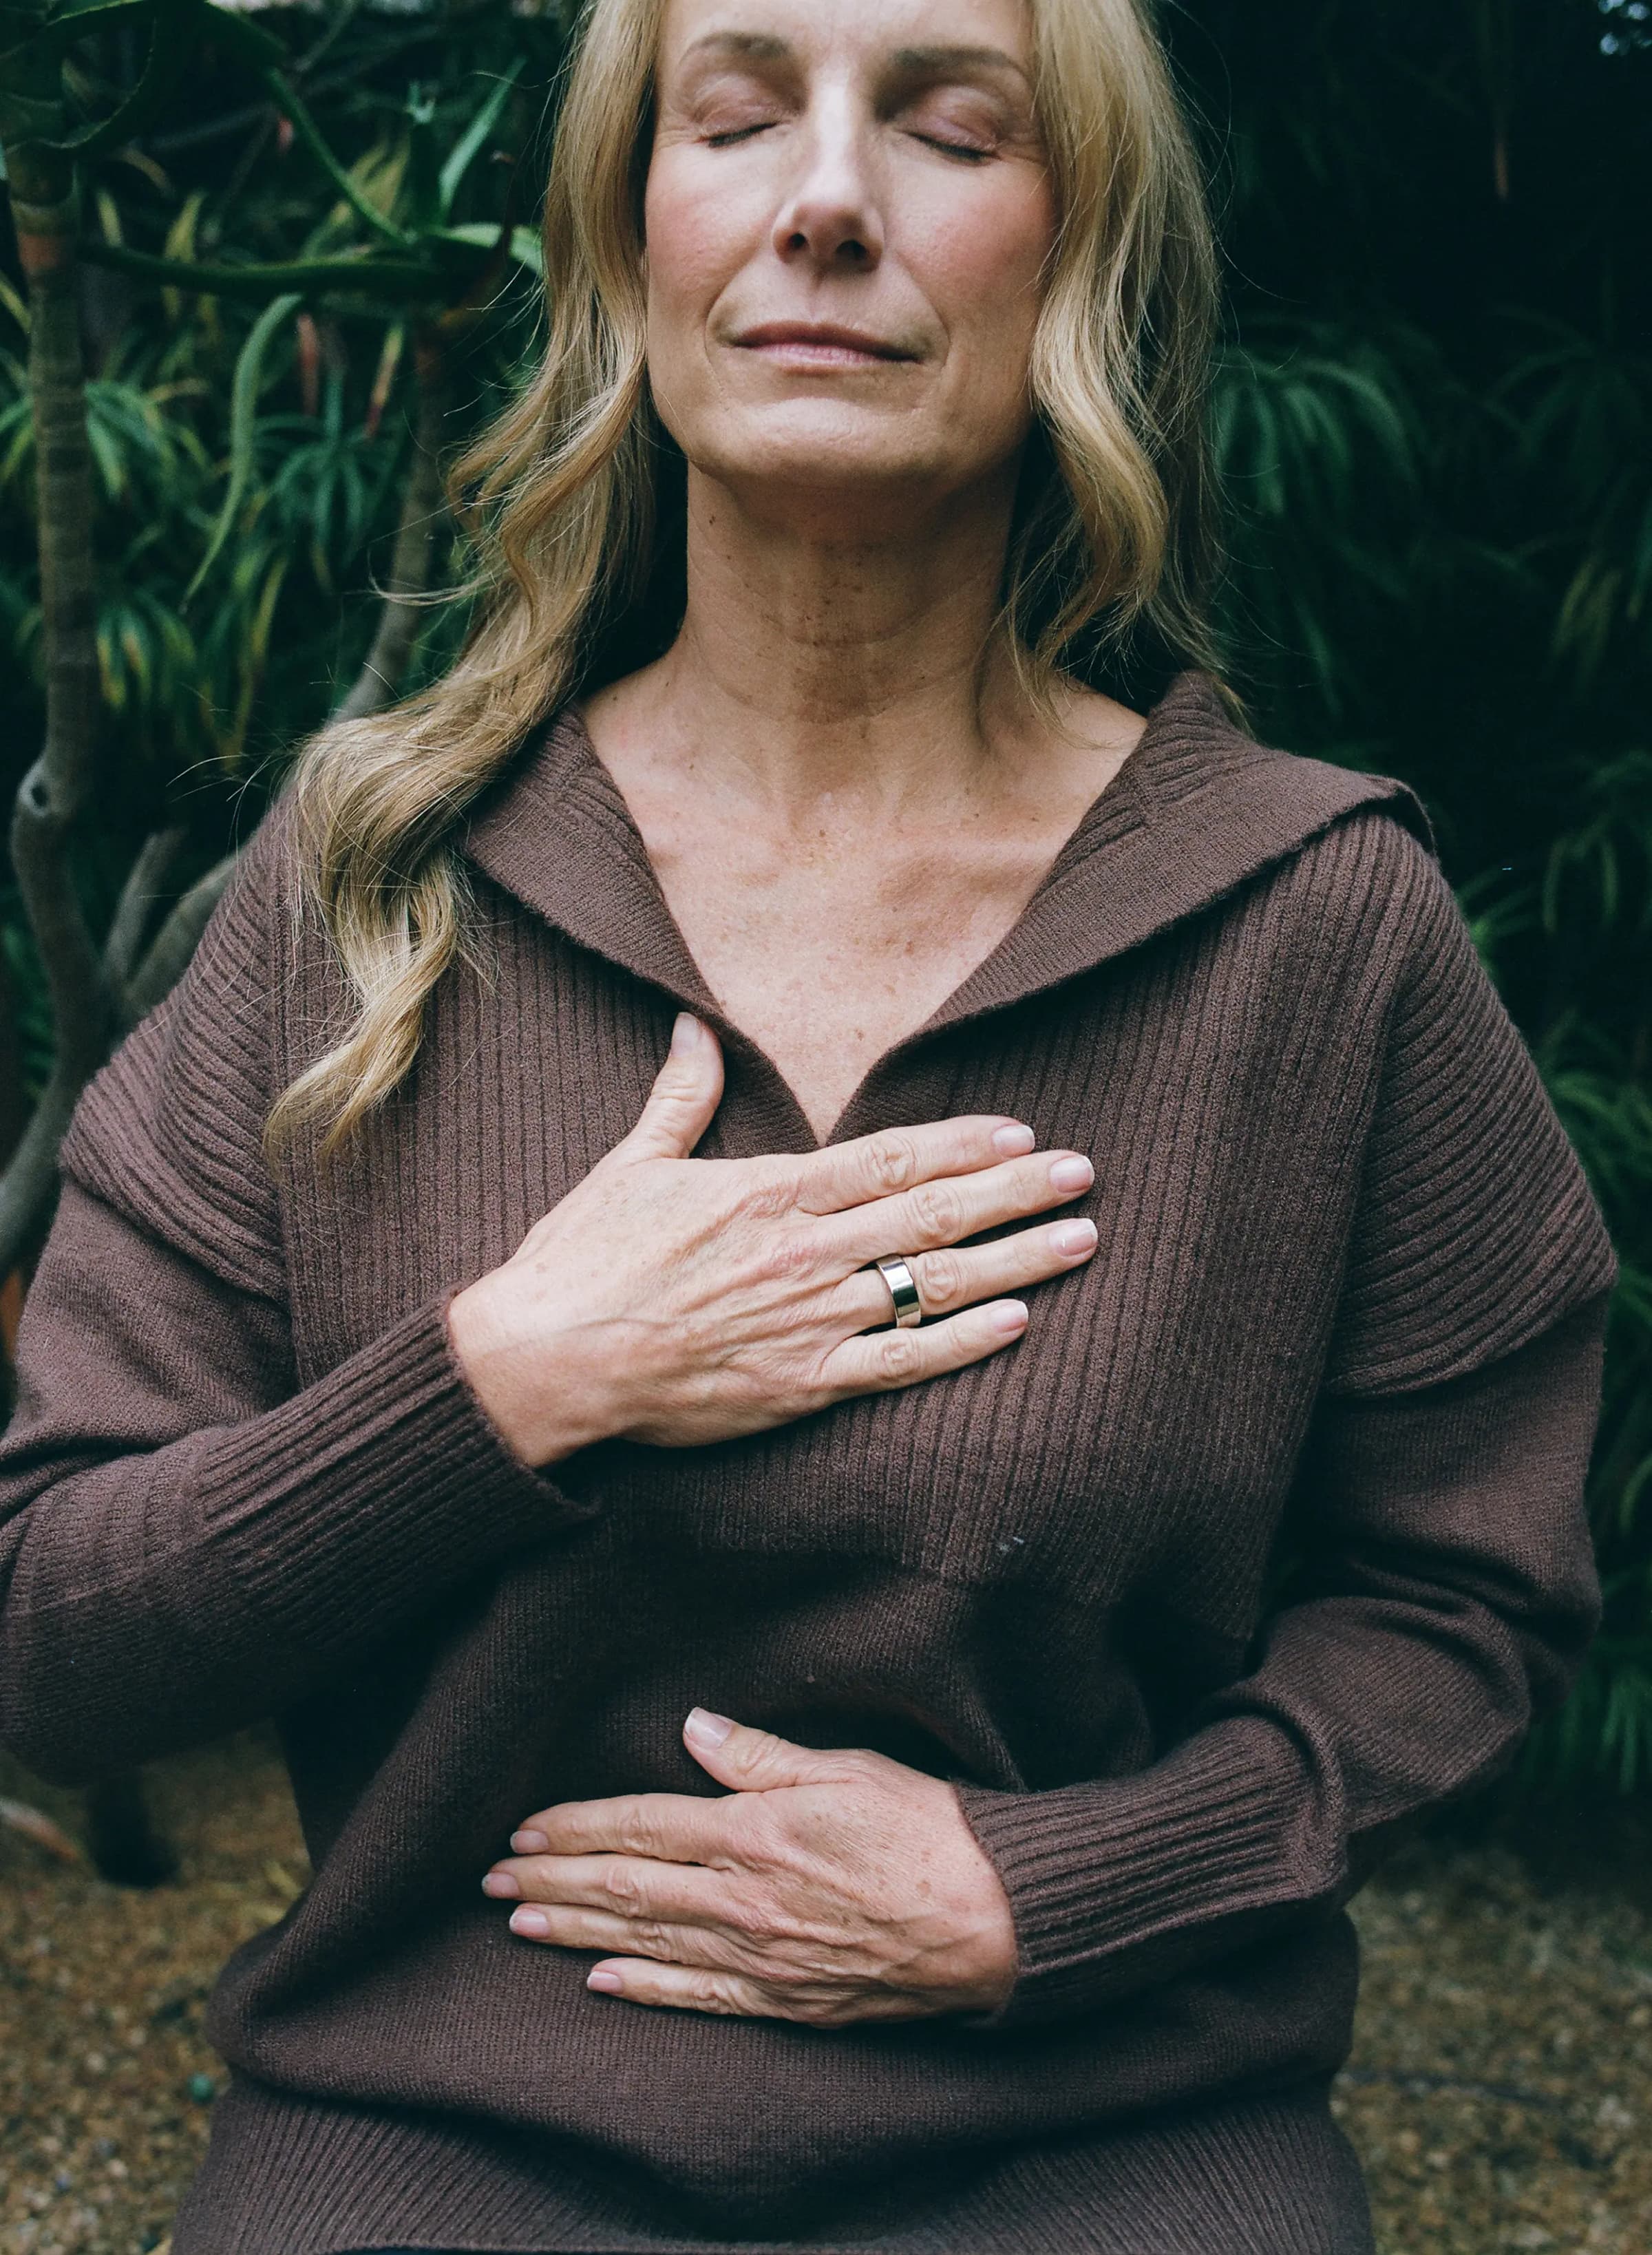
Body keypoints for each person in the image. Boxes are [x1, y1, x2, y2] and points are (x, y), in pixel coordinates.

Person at [0, 0, 1616, 2248]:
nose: (829, 201)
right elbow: (50, 1628)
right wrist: (505, 1384)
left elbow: (1464, 1600)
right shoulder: (363, 889)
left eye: (952, 129)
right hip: (428, 2143)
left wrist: (1055, 1886)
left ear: (1079, 261)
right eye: (738, 114)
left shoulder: (1321, 928)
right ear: (631, 239)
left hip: (1112, 2132)